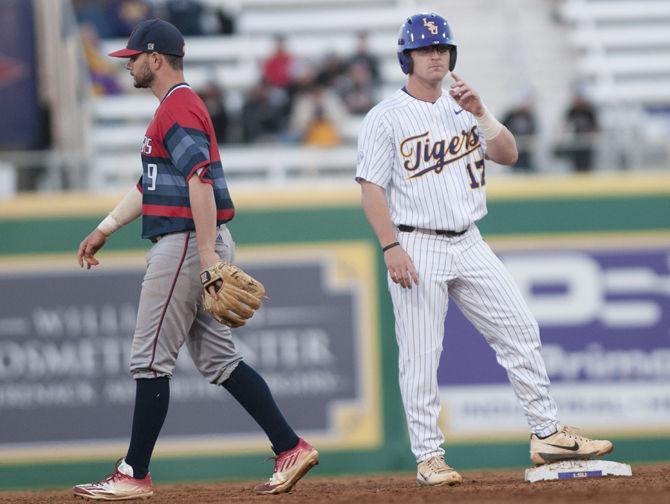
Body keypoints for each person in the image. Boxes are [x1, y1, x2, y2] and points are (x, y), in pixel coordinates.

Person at [355, 12, 613, 487]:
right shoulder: (385, 116)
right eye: (425, 49)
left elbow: (509, 154)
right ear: (406, 57)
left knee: (519, 328)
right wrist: (390, 245)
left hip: (469, 240)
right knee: (420, 355)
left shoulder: (464, 107)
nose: (436, 55)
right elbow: (371, 187)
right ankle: (429, 456)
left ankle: (547, 432)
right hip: (417, 241)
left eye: (442, 49)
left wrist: (481, 112)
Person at [73, 19, 318, 500]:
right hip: (192, 241)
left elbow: (199, 179)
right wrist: (104, 228)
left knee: (148, 360)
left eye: (134, 59)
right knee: (219, 361)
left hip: (184, 241)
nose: (130, 66)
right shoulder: (173, 108)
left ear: (155, 58)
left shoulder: (178, 107)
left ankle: (133, 473)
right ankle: (289, 447)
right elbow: (152, 185)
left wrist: (207, 260)